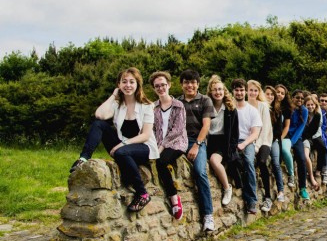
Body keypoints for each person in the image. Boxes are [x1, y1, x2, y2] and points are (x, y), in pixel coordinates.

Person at [71, 67, 159, 212]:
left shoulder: (147, 105)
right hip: (122, 146)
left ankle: (142, 193)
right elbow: (99, 115)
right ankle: (84, 158)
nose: (128, 85)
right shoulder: (118, 104)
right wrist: (113, 96)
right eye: (124, 82)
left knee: (122, 153)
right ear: (119, 85)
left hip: (143, 147)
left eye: (132, 82)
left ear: (138, 84)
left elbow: (146, 135)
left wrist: (122, 145)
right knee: (99, 124)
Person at [178, 69, 217, 232]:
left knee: (200, 171)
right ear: (181, 85)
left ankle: (208, 215)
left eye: (193, 82)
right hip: (179, 141)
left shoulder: (205, 100)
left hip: (197, 141)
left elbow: (206, 125)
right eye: (186, 82)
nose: (190, 85)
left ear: (198, 84)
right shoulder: (177, 102)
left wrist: (197, 145)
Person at [150, 71, 188, 220]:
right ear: (154, 88)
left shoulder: (179, 105)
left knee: (161, 161)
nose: (161, 88)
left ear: (169, 85)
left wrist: (162, 146)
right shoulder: (153, 107)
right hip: (158, 143)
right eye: (157, 86)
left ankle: (173, 197)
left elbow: (178, 130)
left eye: (163, 85)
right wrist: (156, 145)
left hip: (176, 143)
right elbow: (151, 129)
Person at [247, 80, 283, 213]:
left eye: (255, 90)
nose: (253, 93)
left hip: (264, 141)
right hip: (249, 141)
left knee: (262, 161)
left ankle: (267, 197)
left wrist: (256, 146)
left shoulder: (263, 106)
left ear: (258, 92)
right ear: (247, 91)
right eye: (250, 90)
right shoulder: (243, 105)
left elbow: (266, 128)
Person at [206, 75, 238, 207]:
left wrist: (232, 149)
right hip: (208, 141)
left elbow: (235, 132)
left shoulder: (230, 109)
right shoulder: (206, 106)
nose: (218, 92)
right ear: (210, 92)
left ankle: (227, 188)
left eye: (220, 89)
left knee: (214, 160)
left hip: (222, 142)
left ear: (224, 91)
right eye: (215, 90)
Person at [231, 78, 262, 214]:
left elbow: (255, 133)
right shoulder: (230, 109)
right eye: (236, 90)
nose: (239, 93)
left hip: (247, 141)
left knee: (248, 161)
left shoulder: (252, 111)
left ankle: (252, 201)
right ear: (233, 92)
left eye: (241, 90)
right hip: (232, 141)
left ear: (245, 91)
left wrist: (243, 144)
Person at [287, 90, 310, 200]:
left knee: (301, 158)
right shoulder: (288, 109)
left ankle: (302, 187)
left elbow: (300, 128)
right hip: (286, 135)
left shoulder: (304, 111)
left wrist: (292, 142)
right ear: (292, 98)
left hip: (297, 138)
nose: (299, 100)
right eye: (297, 97)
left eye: (301, 98)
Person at [275, 84, 295, 187]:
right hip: (271, 136)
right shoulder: (269, 105)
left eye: (282, 93)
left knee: (285, 151)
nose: (279, 94)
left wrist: (280, 139)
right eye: (278, 92)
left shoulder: (287, 109)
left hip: (284, 136)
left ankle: (291, 174)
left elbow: (287, 127)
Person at [302, 95, 322, 191]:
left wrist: (304, 137)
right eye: (308, 105)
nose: (310, 106)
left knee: (306, 156)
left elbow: (313, 131)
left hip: (307, 138)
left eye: (312, 105)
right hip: (299, 137)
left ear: (315, 105)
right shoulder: (302, 113)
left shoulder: (317, 115)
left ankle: (312, 177)